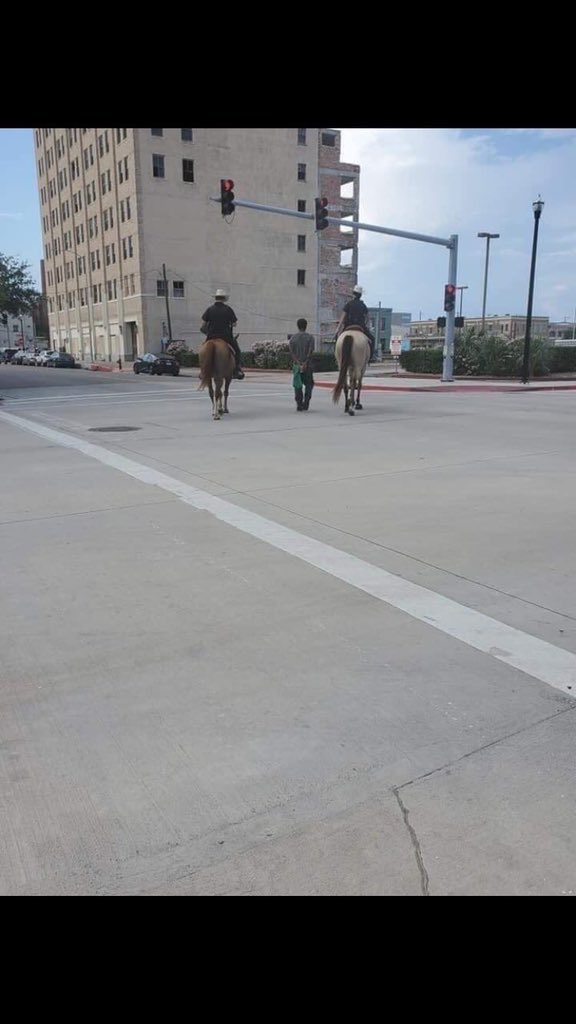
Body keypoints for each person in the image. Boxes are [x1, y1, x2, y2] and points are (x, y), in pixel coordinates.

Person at [201, 288, 245, 379]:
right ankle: (237, 370)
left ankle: (202, 371)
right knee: (237, 351)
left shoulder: (209, 309)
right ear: (224, 298)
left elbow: (203, 325)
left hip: (211, 336)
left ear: (216, 298)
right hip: (226, 337)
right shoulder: (228, 309)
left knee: (202, 351)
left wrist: (207, 331)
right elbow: (234, 323)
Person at [335, 285, 376, 361]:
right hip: (360, 327)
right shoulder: (363, 305)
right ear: (360, 295)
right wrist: (366, 326)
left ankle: (337, 357)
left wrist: (338, 329)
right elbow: (367, 318)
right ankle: (370, 357)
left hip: (348, 326)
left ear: (353, 294)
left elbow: (342, 317)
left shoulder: (348, 304)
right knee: (372, 339)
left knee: (337, 339)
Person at [289, 318, 315, 411]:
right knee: (309, 384)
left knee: (298, 385)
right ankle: (306, 402)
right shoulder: (310, 338)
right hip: (308, 365)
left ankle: (299, 404)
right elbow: (310, 351)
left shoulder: (293, 338)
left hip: (297, 365)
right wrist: (305, 363)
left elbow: (292, 353)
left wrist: (298, 363)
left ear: (298, 326)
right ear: (306, 326)